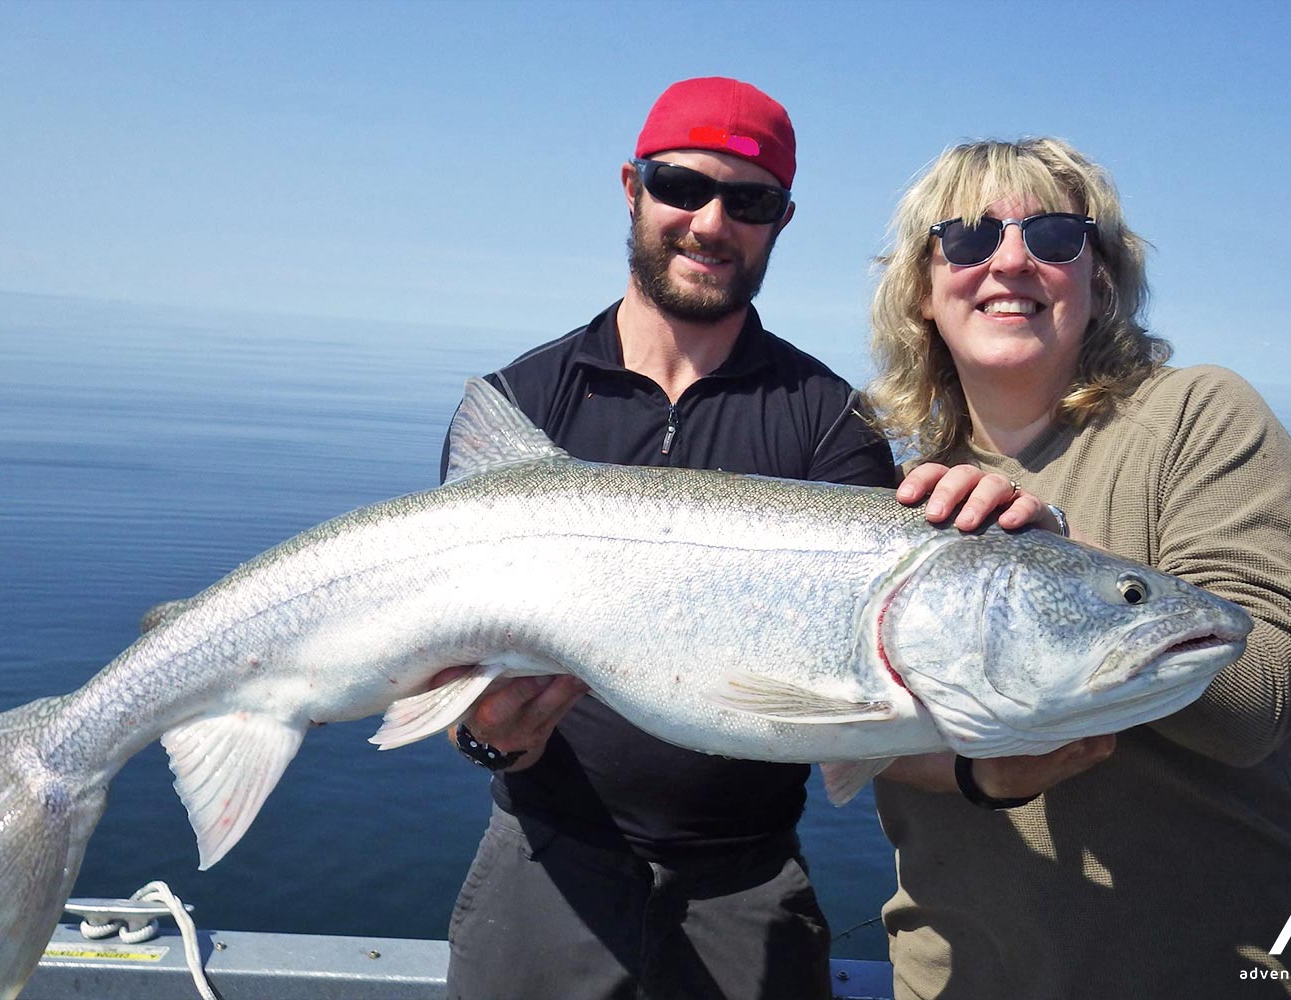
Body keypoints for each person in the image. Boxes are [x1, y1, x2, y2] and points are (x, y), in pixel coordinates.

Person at [438, 79, 1053, 1000]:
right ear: (632, 187)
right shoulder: (518, 406)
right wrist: (489, 740)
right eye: (682, 186)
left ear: (782, 220)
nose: (711, 222)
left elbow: (872, 682)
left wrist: (990, 770)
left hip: (746, 882)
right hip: (544, 860)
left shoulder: (829, 423)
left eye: (750, 200)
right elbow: (447, 671)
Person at [865, 137, 1291, 998]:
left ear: (1102, 280)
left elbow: (1260, 696)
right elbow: (843, 737)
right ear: (922, 290)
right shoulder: (892, 495)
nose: (1010, 261)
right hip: (955, 977)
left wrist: (1053, 580)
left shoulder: (1199, 416)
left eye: (1053, 237)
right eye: (968, 239)